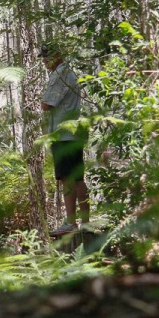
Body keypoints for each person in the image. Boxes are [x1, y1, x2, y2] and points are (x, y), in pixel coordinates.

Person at [40, 42, 90, 237]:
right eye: (43, 57)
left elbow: (47, 104)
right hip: (70, 133)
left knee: (68, 178)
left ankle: (71, 222)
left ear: (57, 55)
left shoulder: (61, 74)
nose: (44, 61)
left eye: (47, 57)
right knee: (76, 178)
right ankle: (83, 223)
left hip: (64, 134)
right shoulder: (66, 73)